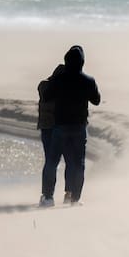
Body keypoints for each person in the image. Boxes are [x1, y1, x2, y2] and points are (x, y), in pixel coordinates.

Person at [44, 45, 101, 205]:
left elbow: (47, 96)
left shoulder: (59, 79)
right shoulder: (88, 81)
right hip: (79, 127)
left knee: (52, 161)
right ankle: (74, 199)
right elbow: (96, 100)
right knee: (78, 163)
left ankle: (48, 198)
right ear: (82, 62)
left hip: (60, 126)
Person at [37, 62, 65, 206]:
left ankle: (47, 195)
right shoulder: (62, 89)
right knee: (63, 161)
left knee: (50, 162)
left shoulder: (43, 86)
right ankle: (66, 194)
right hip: (59, 128)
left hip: (46, 128)